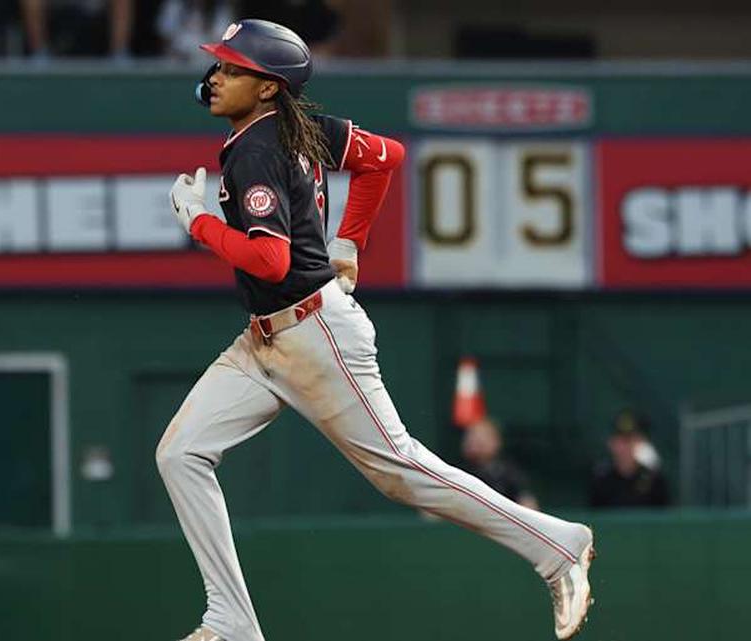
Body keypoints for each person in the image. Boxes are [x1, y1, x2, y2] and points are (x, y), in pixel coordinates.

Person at [156, 19, 596, 641]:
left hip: (314, 334)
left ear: (267, 89)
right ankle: (231, 621)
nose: (217, 75)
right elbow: (386, 156)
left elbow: (271, 260)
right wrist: (349, 243)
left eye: (233, 67)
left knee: (403, 473)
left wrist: (199, 223)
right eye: (220, 63)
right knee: (180, 454)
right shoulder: (292, 127)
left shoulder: (257, 147)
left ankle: (557, 546)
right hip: (264, 343)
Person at [589, 408, 670, 508]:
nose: (627, 447)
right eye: (622, 441)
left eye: (632, 440)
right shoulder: (601, 480)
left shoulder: (655, 481)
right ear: (612, 443)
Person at [462, 417, 539, 510]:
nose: (475, 443)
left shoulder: (509, 472)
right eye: (471, 438)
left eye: (481, 439)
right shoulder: (459, 472)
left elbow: (529, 505)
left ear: (496, 442)